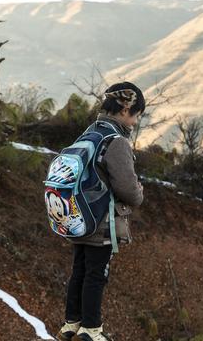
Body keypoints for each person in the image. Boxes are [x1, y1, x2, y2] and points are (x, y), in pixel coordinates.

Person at [57, 81, 145, 341]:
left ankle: (71, 324)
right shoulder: (115, 141)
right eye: (136, 115)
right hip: (101, 221)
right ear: (126, 109)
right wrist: (139, 192)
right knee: (97, 274)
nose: (134, 122)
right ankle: (91, 330)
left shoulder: (90, 132)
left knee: (80, 270)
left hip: (78, 216)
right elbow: (128, 189)